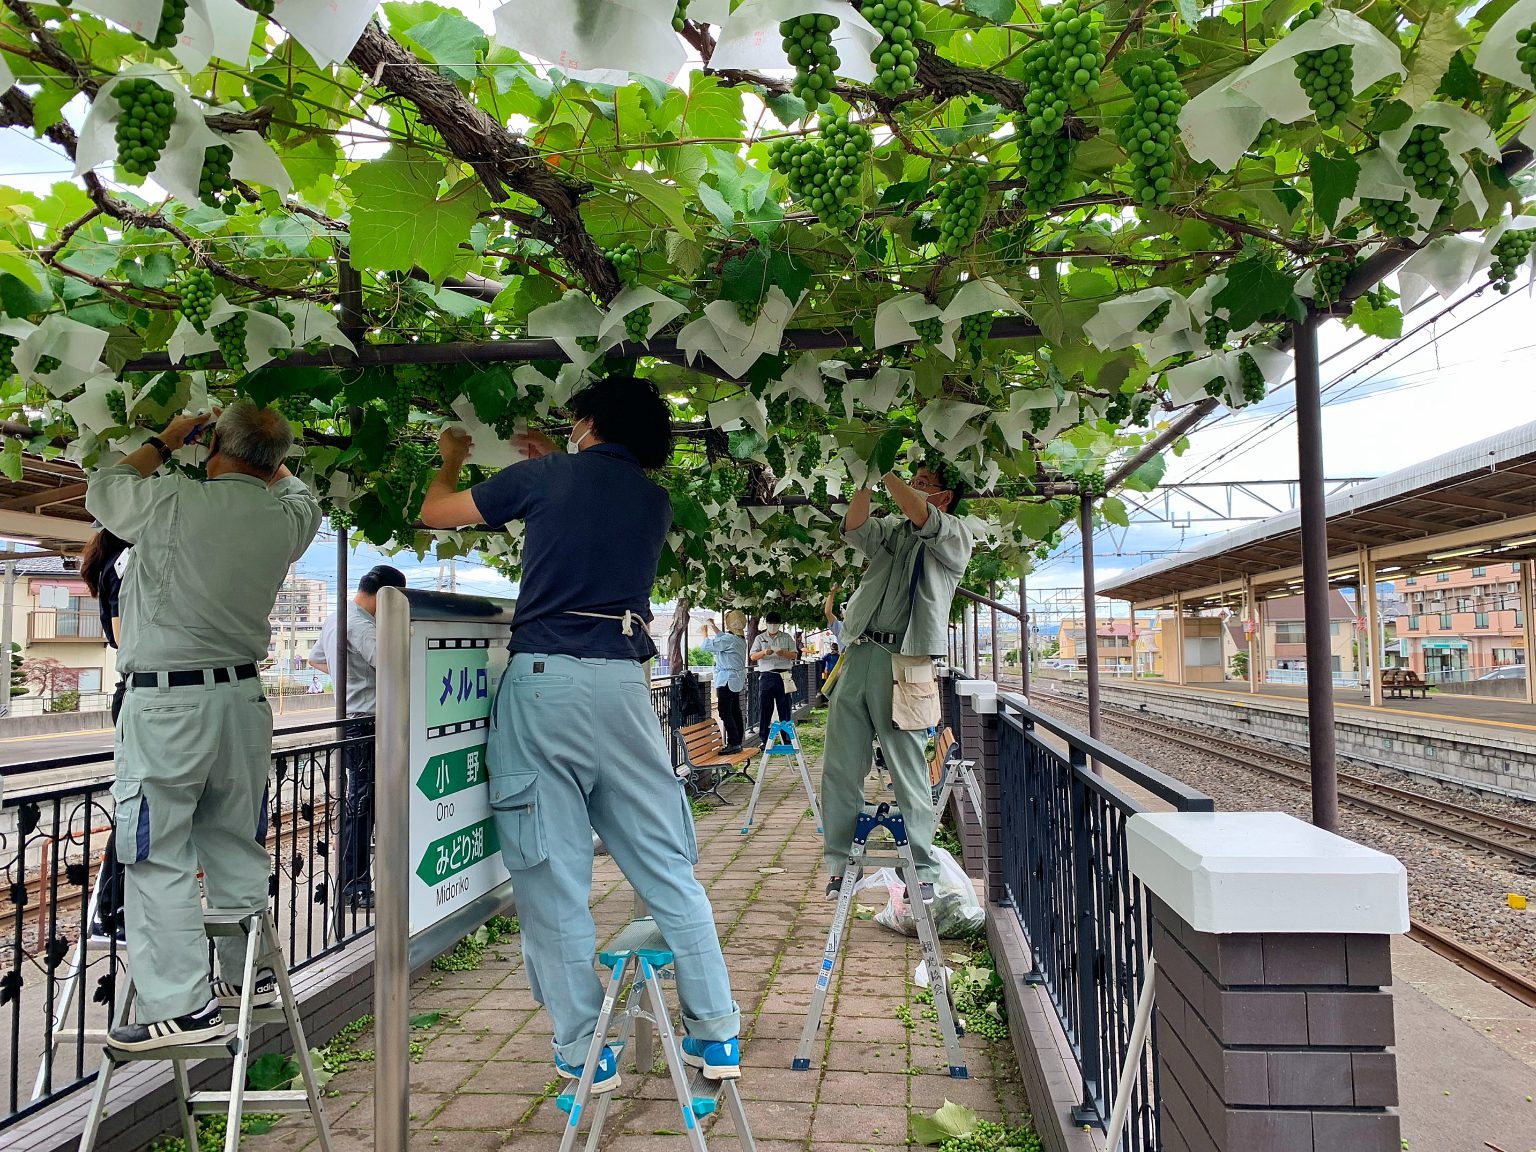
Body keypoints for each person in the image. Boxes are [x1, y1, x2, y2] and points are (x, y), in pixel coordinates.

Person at [420, 376, 740, 1093]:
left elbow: (436, 513)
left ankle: (584, 1049)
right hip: (624, 684)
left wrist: (449, 456)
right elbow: (582, 512)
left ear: (588, 422)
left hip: (545, 682)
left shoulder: (546, 476)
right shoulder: (651, 499)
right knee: (666, 867)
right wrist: (546, 465)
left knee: (551, 875)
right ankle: (716, 1035)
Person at [84, 401, 322, 1050]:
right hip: (241, 703)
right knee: (231, 842)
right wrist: (256, 454)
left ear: (212, 444)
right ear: (274, 462)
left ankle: (181, 1009)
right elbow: (297, 487)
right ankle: (249, 979)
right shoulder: (289, 517)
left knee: (156, 850)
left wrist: (165, 440)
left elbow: (102, 490)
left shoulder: (170, 503)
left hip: (167, 706)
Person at [820, 465, 973, 903]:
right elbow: (855, 526)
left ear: (943, 498)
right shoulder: (893, 530)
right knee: (840, 766)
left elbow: (920, 513)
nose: (913, 487)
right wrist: (865, 480)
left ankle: (920, 869)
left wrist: (884, 466)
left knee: (906, 770)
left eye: (923, 483)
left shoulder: (956, 535)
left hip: (905, 663)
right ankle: (839, 862)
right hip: (860, 653)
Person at [307, 564, 408, 911]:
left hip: (350, 718)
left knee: (358, 802)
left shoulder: (337, 617)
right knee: (362, 804)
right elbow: (392, 662)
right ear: (387, 597)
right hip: (366, 721)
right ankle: (355, 886)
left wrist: (347, 677)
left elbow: (316, 659)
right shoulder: (363, 625)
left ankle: (355, 882)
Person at [79, 528, 132, 939]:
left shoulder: (118, 562)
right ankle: (111, 910)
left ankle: (115, 907)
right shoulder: (124, 564)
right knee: (137, 807)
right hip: (136, 695)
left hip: (133, 695)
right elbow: (120, 636)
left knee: (139, 806)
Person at [700, 611, 747, 753]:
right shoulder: (739, 639)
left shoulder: (729, 640)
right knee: (735, 711)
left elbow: (706, 646)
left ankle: (733, 742)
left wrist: (704, 632)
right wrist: (713, 626)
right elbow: (723, 637)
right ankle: (738, 740)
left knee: (725, 712)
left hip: (726, 680)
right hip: (736, 679)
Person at [749, 611, 796, 747]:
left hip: (783, 675)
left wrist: (783, 653)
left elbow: (794, 655)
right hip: (767, 675)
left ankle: (786, 738)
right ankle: (764, 739)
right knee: (765, 708)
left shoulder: (786, 637)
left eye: (775, 624)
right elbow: (753, 656)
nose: (773, 626)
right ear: (767, 624)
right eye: (771, 624)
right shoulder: (760, 638)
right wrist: (764, 652)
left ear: (779, 625)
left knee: (785, 708)